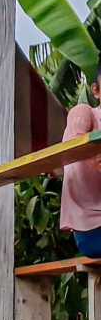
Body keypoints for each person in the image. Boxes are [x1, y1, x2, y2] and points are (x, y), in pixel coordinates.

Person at [61, 56, 101, 257]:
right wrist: (96, 160)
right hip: (92, 228)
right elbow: (75, 142)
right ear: (96, 90)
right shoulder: (85, 112)